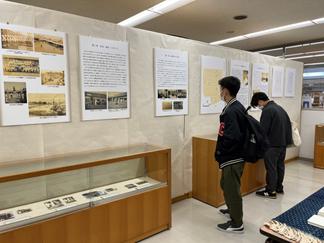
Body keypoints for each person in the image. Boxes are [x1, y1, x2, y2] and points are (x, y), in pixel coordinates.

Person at [215, 76, 247, 234]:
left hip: (232, 158)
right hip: (233, 157)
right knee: (226, 186)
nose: (220, 92)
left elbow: (232, 136)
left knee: (232, 189)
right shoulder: (235, 106)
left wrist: (221, 152)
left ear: (225, 91)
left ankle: (237, 223)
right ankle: (232, 210)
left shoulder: (232, 110)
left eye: (221, 89)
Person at [251, 92, 292, 199]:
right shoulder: (279, 108)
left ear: (260, 101)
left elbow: (263, 130)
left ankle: (270, 191)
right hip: (282, 143)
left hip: (272, 145)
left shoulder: (268, 110)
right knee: (280, 166)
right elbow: (288, 126)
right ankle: (279, 187)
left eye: (258, 105)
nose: (259, 107)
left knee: (271, 168)